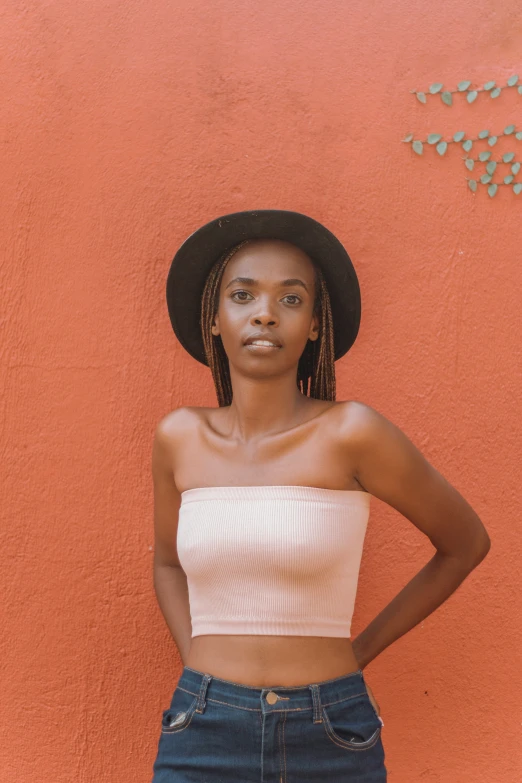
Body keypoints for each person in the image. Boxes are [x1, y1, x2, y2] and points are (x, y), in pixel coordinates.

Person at [150, 209, 490, 782]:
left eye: (290, 299)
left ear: (313, 325)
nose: (264, 313)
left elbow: (465, 544)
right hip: (202, 731)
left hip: (329, 730)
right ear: (214, 318)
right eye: (242, 295)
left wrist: (353, 661)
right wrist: (201, 675)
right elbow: (165, 564)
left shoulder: (352, 432)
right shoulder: (179, 437)